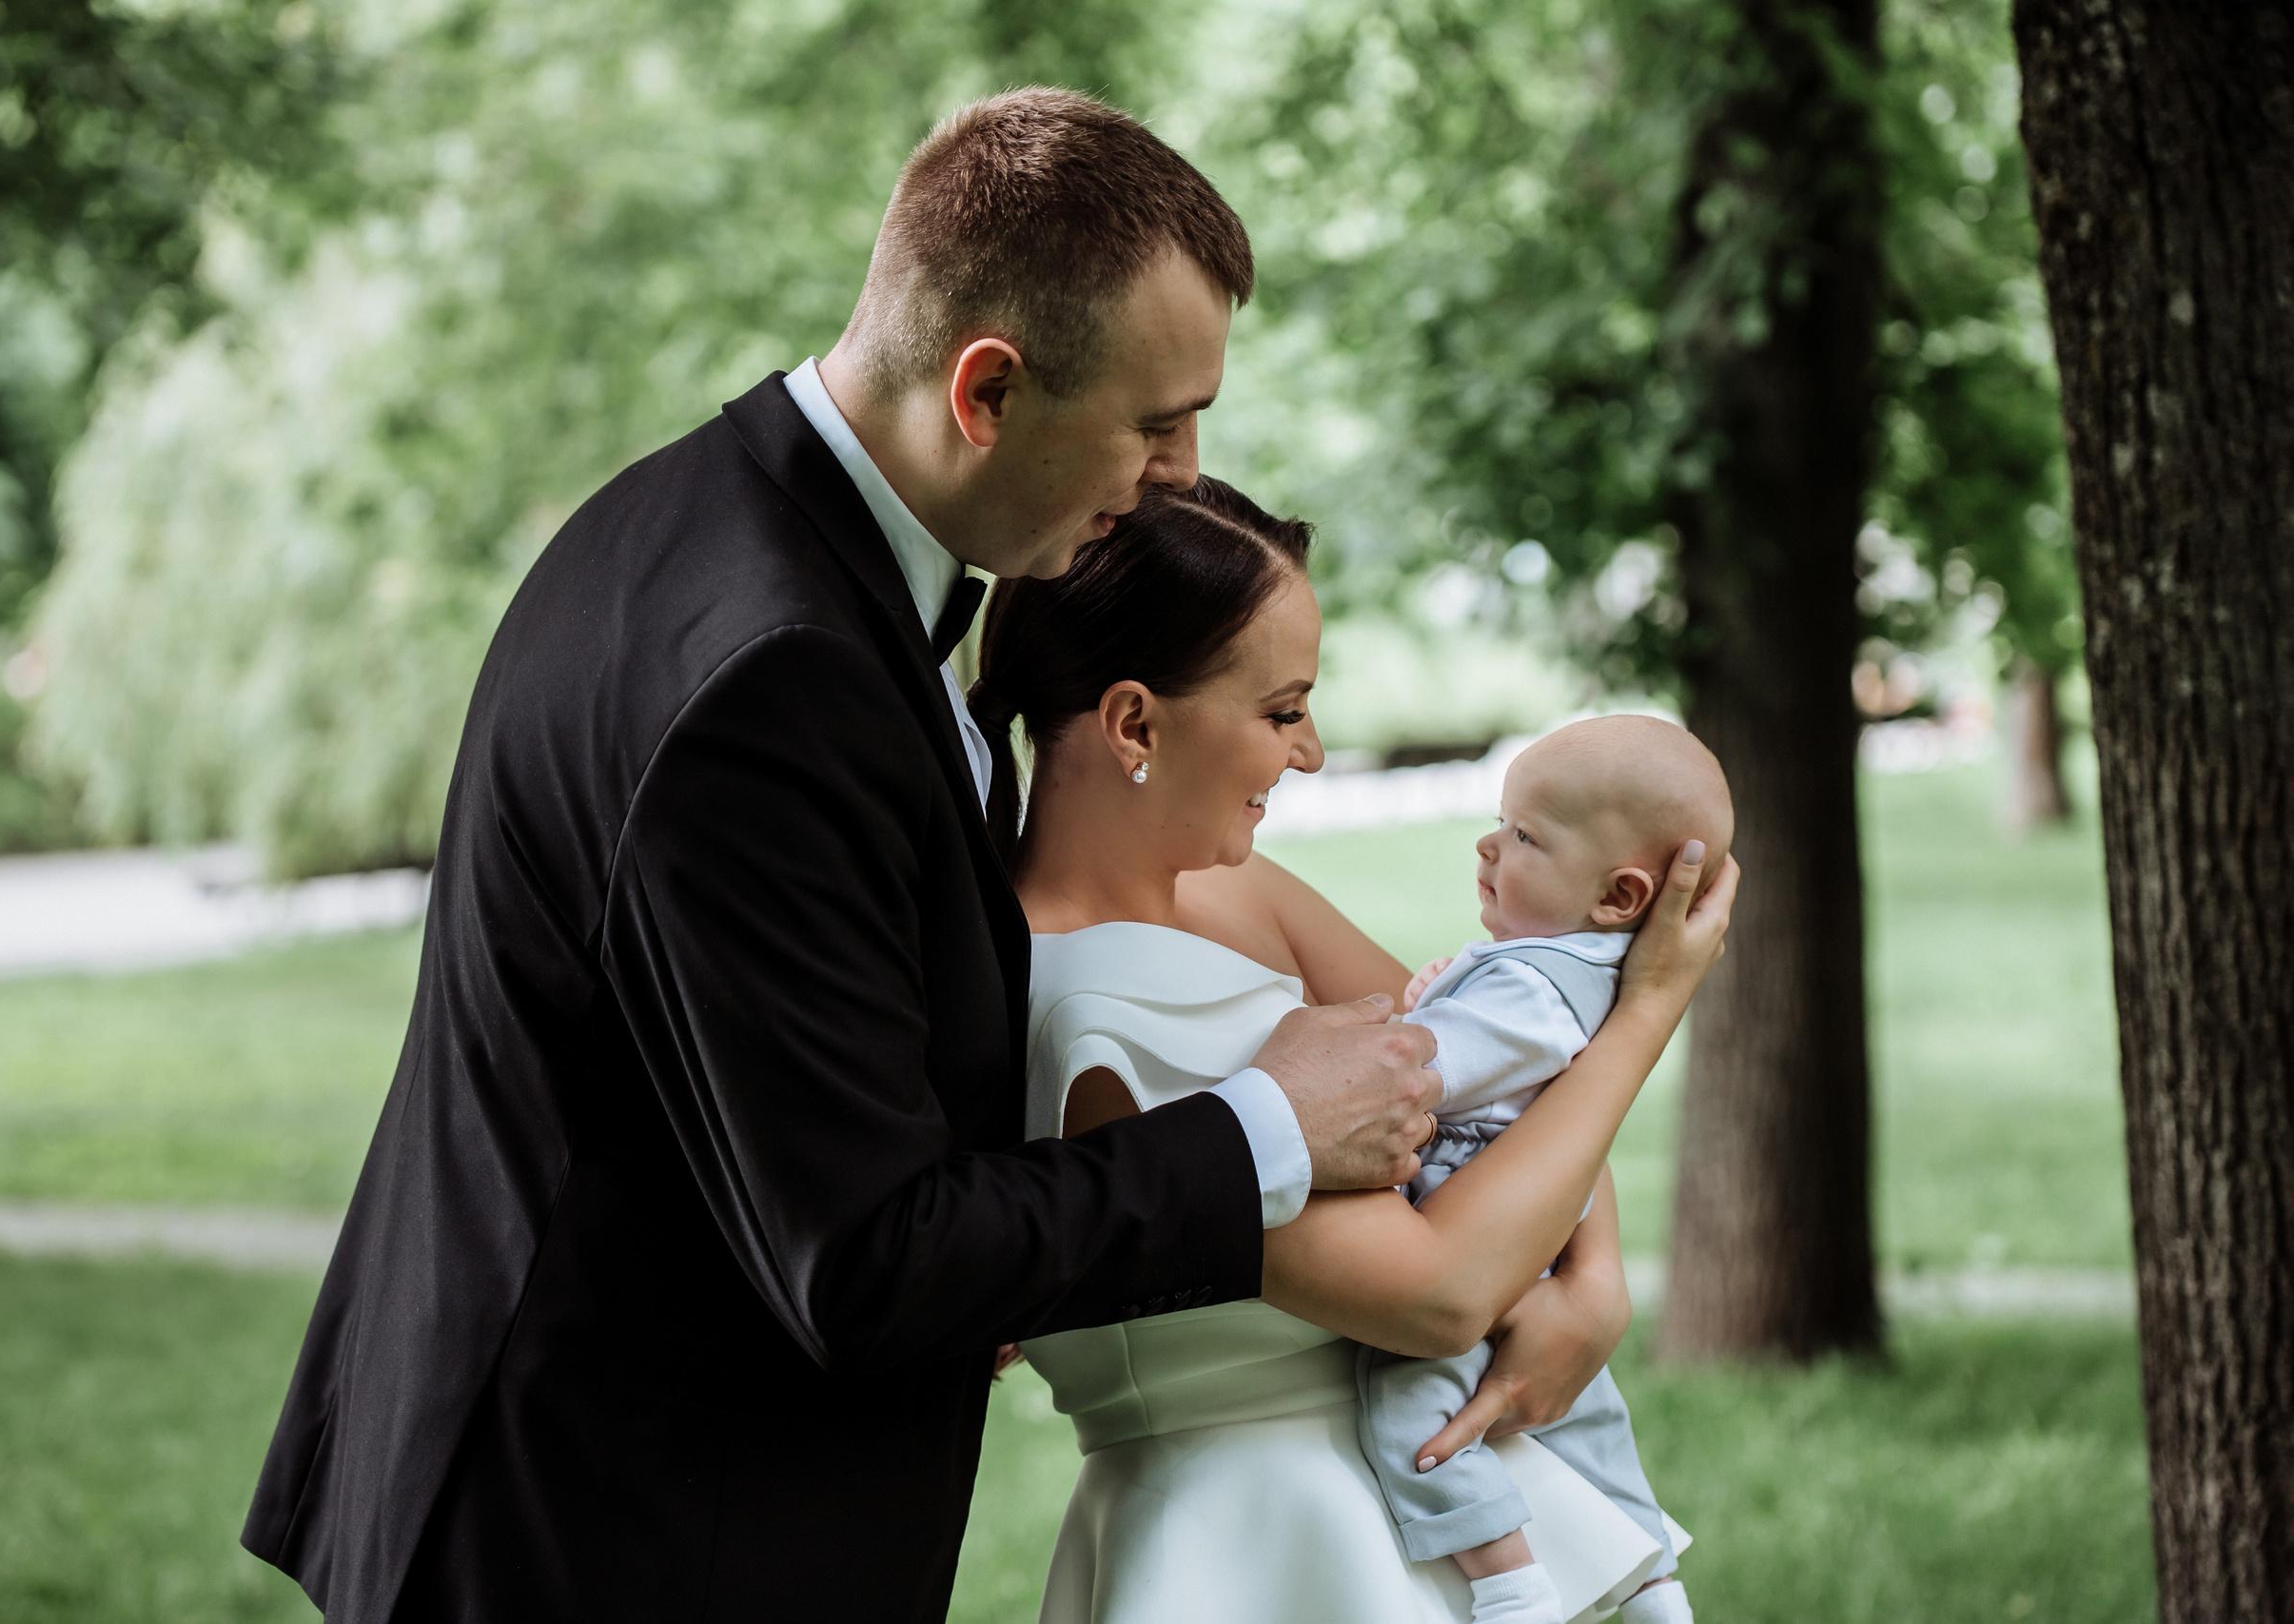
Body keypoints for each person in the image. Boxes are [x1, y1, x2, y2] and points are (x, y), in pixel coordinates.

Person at [241, 88, 1461, 1624]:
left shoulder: (731, 528)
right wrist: (1264, 1130)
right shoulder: (767, 668)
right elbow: (867, 1258)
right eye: (1157, 421)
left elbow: (797, 1090)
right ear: (987, 390)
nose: (1180, 467)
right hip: (617, 1532)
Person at [974, 479, 1737, 1624]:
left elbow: (1501, 1074)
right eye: (1281, 712)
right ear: (1135, 724)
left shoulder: (1234, 891)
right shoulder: (1097, 1023)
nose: (1316, 752)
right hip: (1268, 1534)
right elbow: (1437, 1295)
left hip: (1424, 1486)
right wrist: (1643, 1012)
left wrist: (1595, 1281)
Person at [1358, 715, 1736, 1624]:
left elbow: (1418, 1078)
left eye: (1525, 835)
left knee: (1413, 1409)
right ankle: (1651, 1585)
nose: (1489, 844)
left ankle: (1510, 1586)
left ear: (1618, 895)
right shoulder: (1563, 966)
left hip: (1476, 1218)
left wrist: (1404, 1032)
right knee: (1587, 1419)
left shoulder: (1534, 987)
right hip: (1534, 1231)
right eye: (1501, 820)